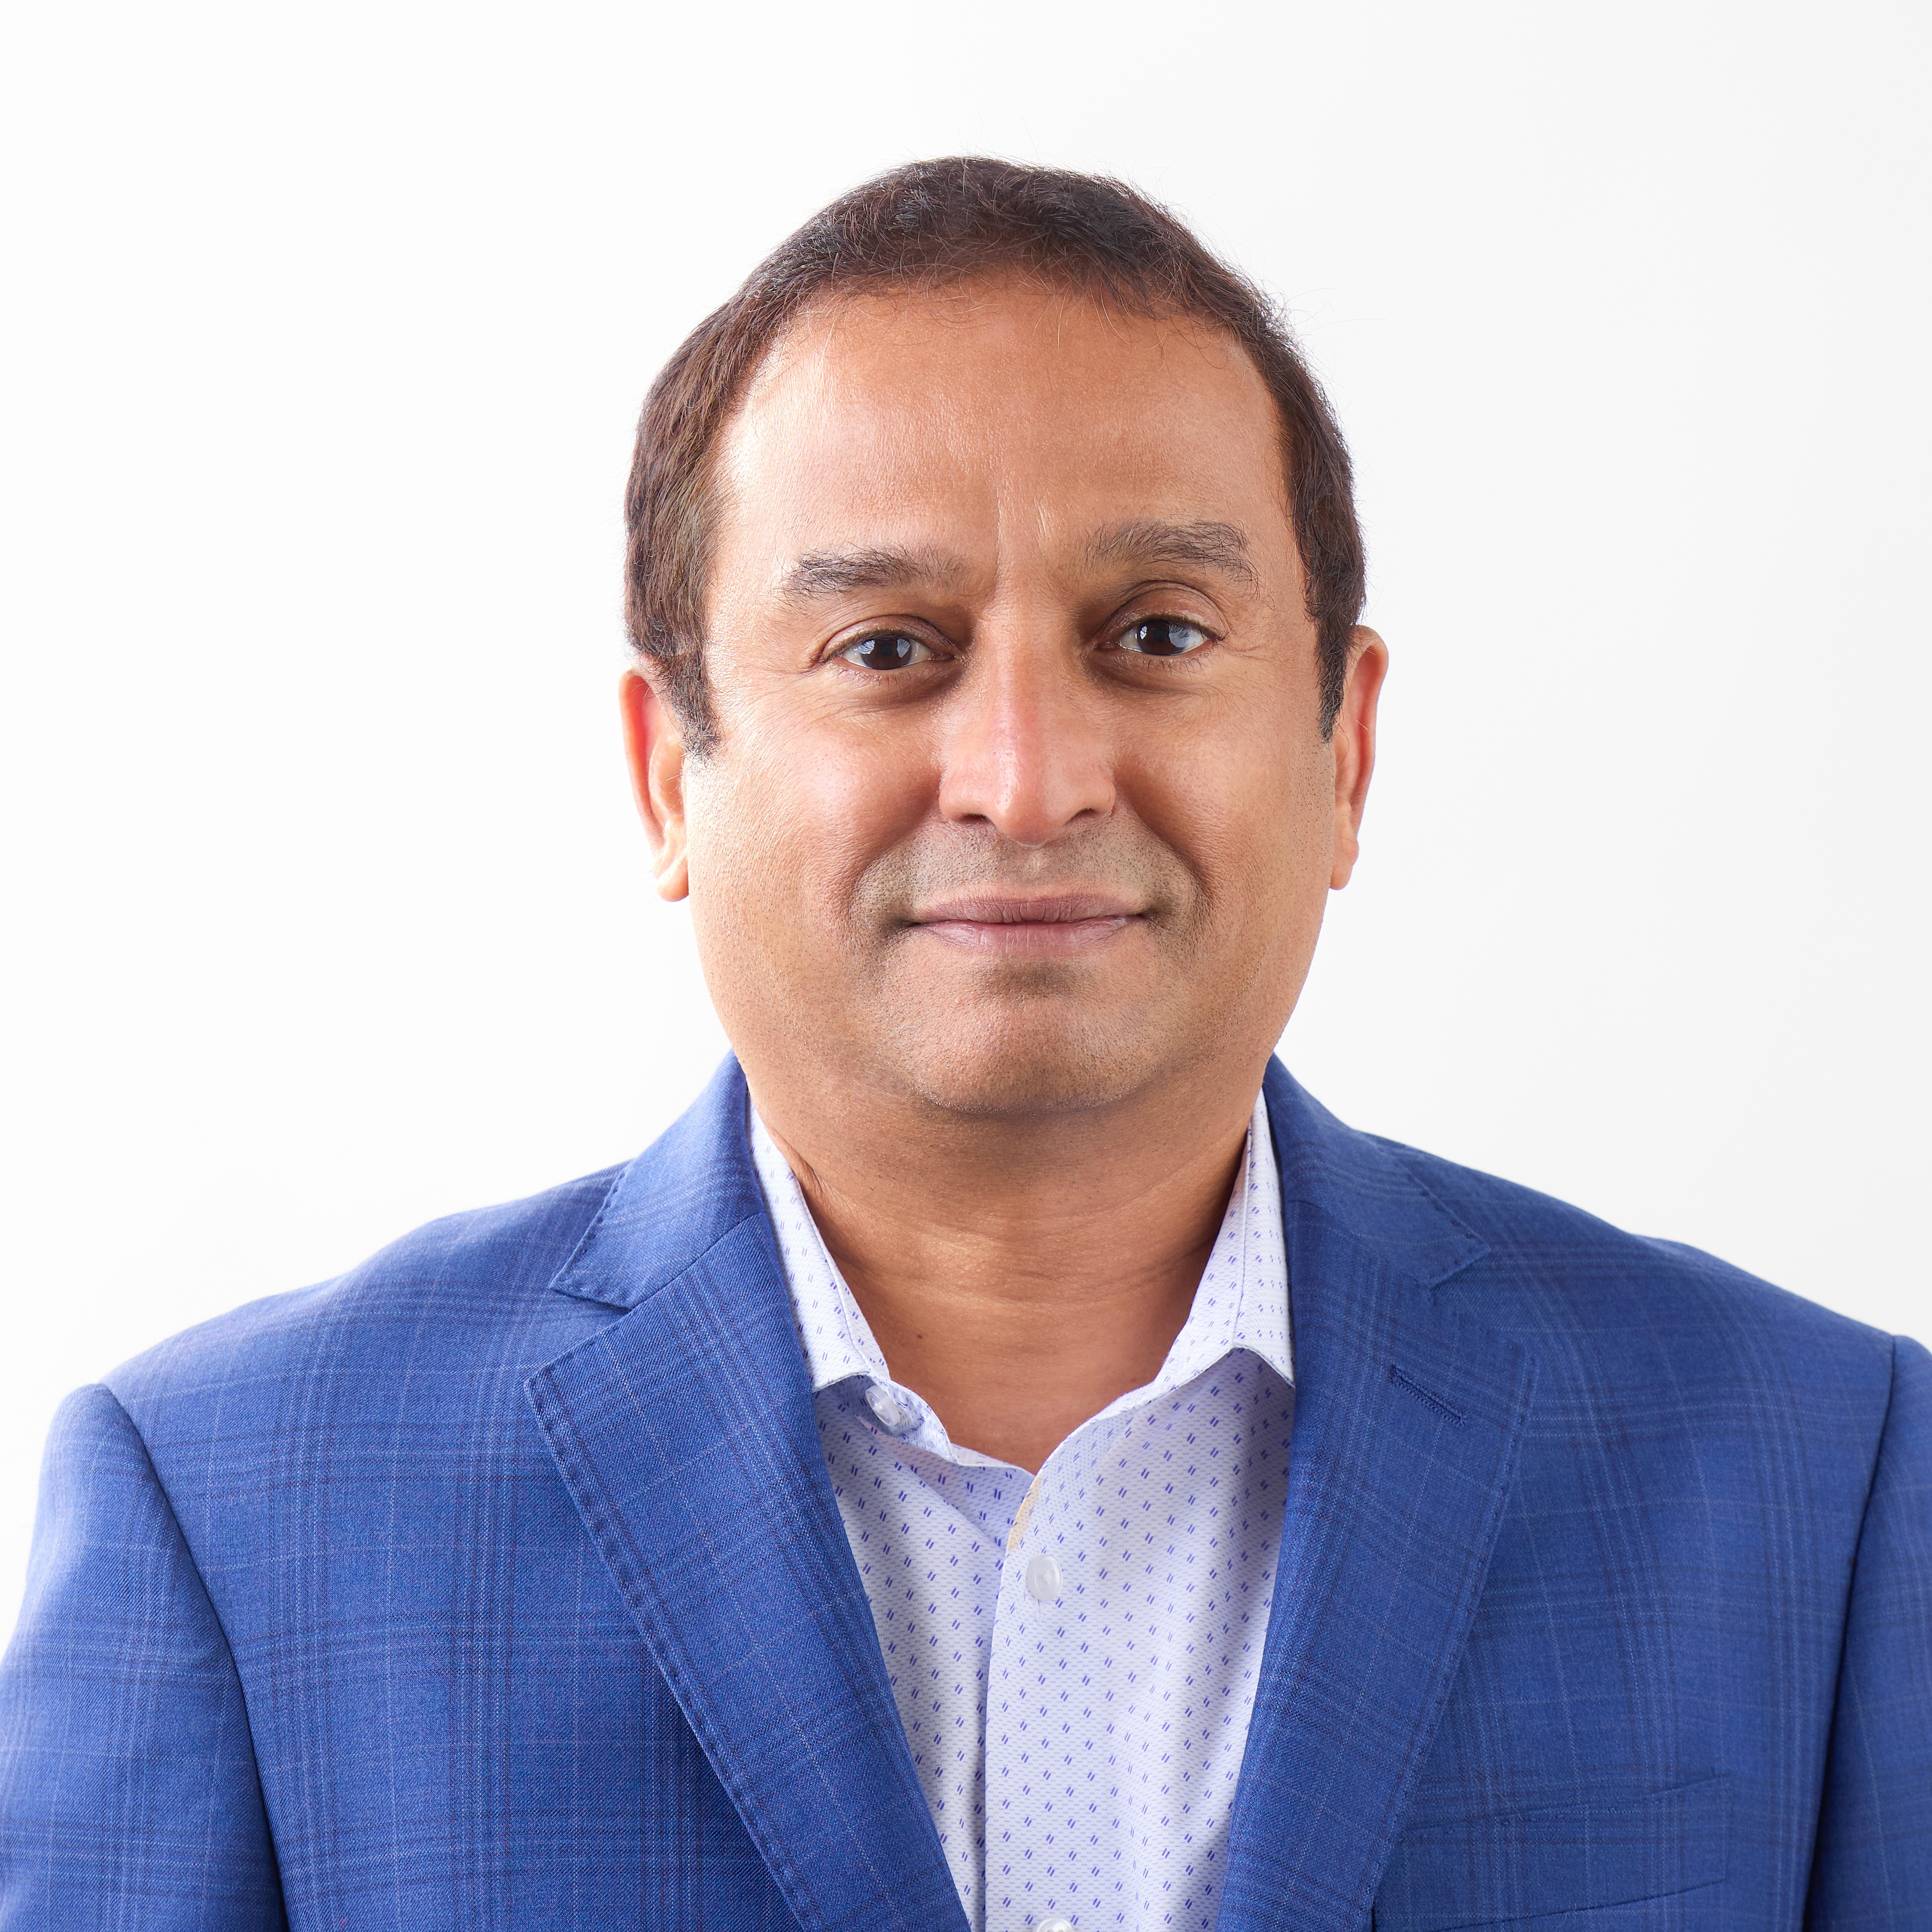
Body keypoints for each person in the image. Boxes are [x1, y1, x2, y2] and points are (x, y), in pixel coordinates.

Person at [1, 158, 1925, 1932]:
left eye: (1156, 635)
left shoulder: (1819, 1487)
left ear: (1342, 749)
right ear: (668, 773)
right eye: (888, 648)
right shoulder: (240, 1514)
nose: (1025, 780)